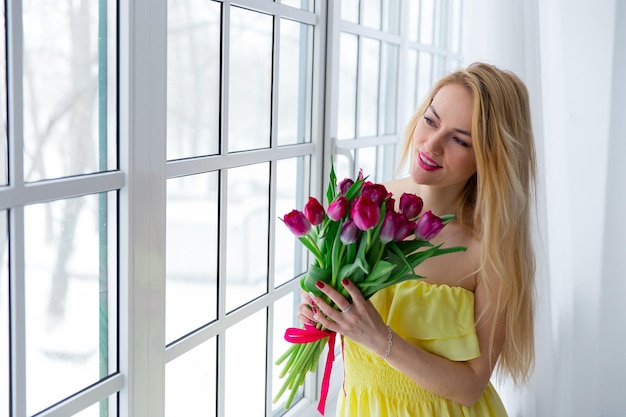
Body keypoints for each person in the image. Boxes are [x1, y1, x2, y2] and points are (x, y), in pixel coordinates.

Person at [299, 62, 536, 416]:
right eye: (431, 120)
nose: (432, 144)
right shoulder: (365, 203)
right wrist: (321, 309)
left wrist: (378, 339)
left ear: (489, 159)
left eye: (459, 139)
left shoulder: (488, 250)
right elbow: (331, 298)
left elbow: (471, 387)